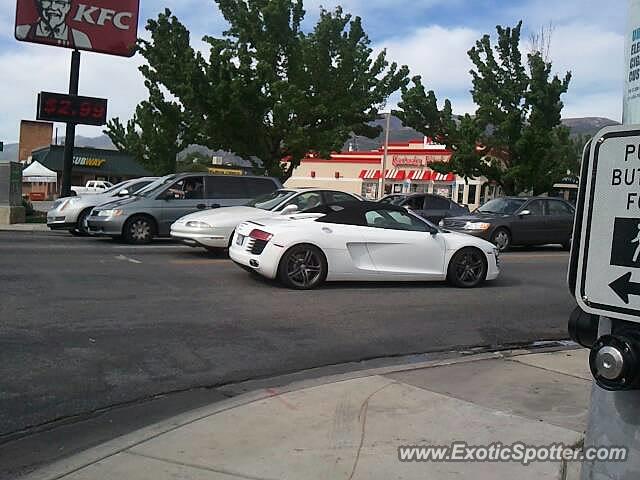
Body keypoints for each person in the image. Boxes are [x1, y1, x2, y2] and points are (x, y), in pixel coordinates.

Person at [15, 0, 92, 49]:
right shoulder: (23, 31)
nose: (53, 7)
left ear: (68, 7)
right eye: (48, 1)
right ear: (39, 3)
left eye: (60, 3)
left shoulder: (81, 39)